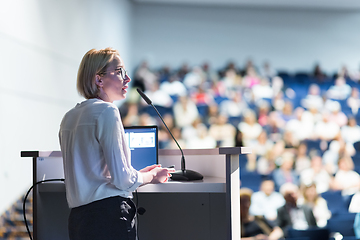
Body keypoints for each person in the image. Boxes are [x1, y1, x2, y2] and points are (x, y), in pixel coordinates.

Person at [59, 48, 174, 240]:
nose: (127, 79)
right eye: (120, 71)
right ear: (99, 80)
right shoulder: (107, 111)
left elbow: (96, 173)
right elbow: (123, 180)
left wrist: (140, 174)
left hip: (78, 220)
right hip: (108, 217)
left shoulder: (69, 117)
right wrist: (151, 176)